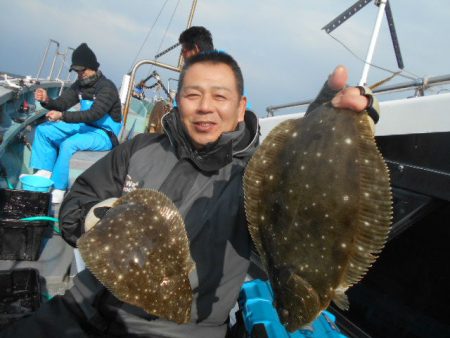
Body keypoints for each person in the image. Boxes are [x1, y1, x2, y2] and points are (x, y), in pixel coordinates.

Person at [0, 52, 379, 338]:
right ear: (178, 100)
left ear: (240, 107)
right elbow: (74, 206)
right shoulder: (139, 149)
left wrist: (331, 119)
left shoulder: (254, 175)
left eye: (220, 96)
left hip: (180, 330)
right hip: (82, 306)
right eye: (193, 94)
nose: (205, 107)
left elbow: (299, 184)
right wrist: (97, 219)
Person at [28, 43, 122, 204]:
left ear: (92, 67)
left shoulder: (107, 88)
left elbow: (94, 114)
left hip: (104, 134)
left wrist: (62, 116)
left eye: (82, 70)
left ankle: (58, 189)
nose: (80, 74)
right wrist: (47, 100)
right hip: (84, 126)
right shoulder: (79, 86)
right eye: (77, 71)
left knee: (69, 144)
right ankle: (44, 173)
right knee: (43, 131)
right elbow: (62, 103)